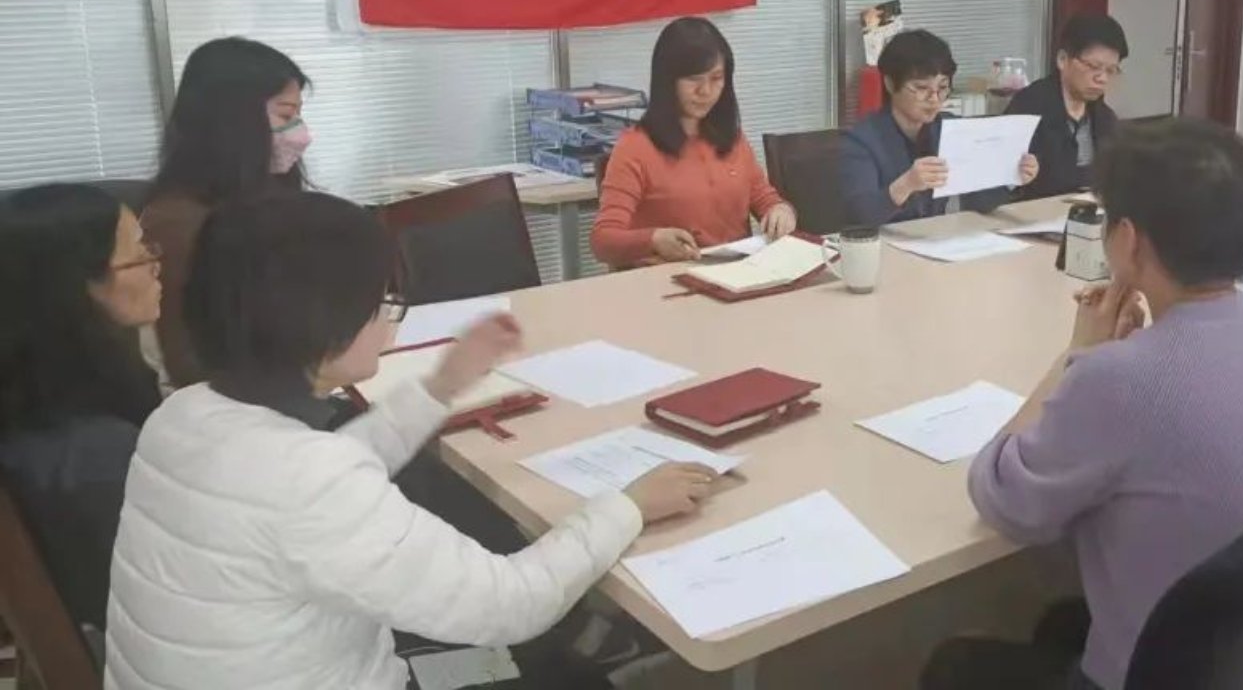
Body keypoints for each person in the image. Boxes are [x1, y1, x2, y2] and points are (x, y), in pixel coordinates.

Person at [105, 191, 715, 690]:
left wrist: (442, 384)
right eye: (383, 303)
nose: (390, 321)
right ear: (322, 321)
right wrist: (628, 506)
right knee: (559, 672)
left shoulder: (184, 415)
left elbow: (328, 475)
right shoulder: (307, 483)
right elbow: (511, 604)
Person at [929, 119, 1243, 690]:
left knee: (955, 665)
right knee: (1061, 623)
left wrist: (1077, 355)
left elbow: (1003, 497)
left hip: (1175, 675)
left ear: (1128, 239)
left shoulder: (1119, 378)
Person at [0, 185, 162, 637]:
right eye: (139, 253)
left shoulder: (36, 403)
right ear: (78, 287)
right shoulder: (94, 454)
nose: (156, 264)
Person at [143, 36, 312, 385]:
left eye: (298, 115)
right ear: (233, 120)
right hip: (226, 402)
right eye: (286, 114)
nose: (302, 135)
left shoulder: (265, 198)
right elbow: (189, 361)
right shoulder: (177, 224)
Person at [591, 17, 795, 268]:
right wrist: (652, 240)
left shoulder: (732, 138)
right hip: (670, 279)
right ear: (668, 81)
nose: (706, 91)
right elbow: (603, 240)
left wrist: (780, 211)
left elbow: (765, 200)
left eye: (716, 78)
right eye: (694, 80)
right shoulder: (635, 148)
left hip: (737, 274)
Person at [840, 29, 1038, 227]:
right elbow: (859, 216)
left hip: (934, 236)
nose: (934, 99)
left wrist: (1011, 176)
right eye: (921, 88)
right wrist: (906, 185)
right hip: (885, 242)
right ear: (891, 84)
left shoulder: (949, 129)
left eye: (942, 88)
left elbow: (978, 200)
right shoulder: (861, 141)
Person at [1007, 14, 1127, 200]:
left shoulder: (1105, 117)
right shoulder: (1028, 107)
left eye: (1111, 70)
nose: (1102, 78)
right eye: (1093, 66)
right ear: (1063, 60)